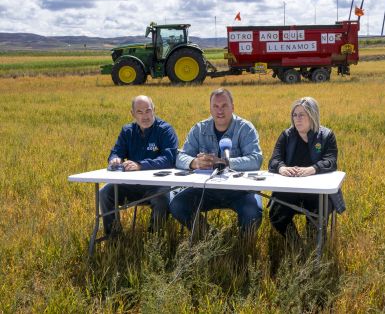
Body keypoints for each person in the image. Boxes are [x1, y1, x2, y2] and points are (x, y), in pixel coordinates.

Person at [170, 88, 263, 233]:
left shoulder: (245, 128)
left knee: (252, 213)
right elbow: (180, 157)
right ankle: (211, 240)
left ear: (233, 107)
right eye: (216, 106)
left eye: (224, 106)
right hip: (205, 190)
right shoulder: (199, 129)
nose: (220, 111)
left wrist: (226, 162)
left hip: (240, 190)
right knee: (178, 204)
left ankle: (240, 248)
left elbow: (256, 159)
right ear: (210, 109)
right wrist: (194, 163)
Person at [99, 95, 178, 236]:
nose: (145, 116)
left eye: (148, 111)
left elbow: (169, 159)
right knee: (104, 193)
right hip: (132, 184)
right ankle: (114, 238)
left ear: (154, 110)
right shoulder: (127, 131)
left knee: (162, 200)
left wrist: (140, 165)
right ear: (133, 113)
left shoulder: (165, 130)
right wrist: (115, 159)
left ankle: (154, 241)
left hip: (157, 186)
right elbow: (116, 151)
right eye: (139, 112)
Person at [268, 97, 345, 239]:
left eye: (302, 115)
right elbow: (274, 160)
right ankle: (295, 245)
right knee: (276, 214)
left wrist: (312, 169)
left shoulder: (326, 136)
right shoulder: (287, 136)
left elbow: (331, 161)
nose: (297, 119)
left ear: (312, 115)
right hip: (290, 190)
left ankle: (313, 248)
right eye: (295, 115)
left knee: (316, 226)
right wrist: (281, 168)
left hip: (318, 192)